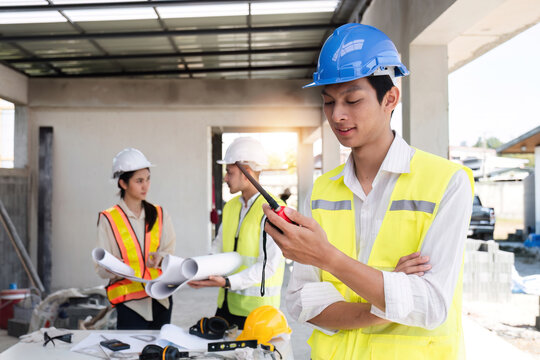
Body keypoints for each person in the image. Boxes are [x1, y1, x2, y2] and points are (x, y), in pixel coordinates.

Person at [262, 23, 474, 359]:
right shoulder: (321, 190)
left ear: (390, 98)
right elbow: (303, 302)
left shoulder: (447, 182)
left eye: (353, 100)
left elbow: (431, 305)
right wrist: (383, 300)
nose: (338, 115)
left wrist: (326, 258)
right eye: (329, 102)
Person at [188, 137, 285, 330]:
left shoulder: (274, 211)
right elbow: (218, 245)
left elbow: (268, 267)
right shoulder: (232, 206)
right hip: (226, 306)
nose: (225, 178)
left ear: (247, 174)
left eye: (229, 172)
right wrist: (201, 271)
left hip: (258, 313)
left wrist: (227, 281)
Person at [95, 148, 176, 330]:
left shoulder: (159, 214)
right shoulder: (109, 218)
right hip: (130, 304)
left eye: (148, 179)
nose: (145, 186)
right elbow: (101, 267)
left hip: (160, 298)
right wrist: (114, 268)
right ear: (123, 183)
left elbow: (169, 250)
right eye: (139, 181)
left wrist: (161, 257)